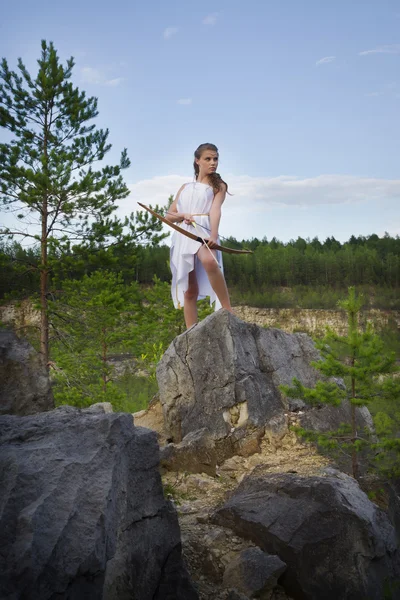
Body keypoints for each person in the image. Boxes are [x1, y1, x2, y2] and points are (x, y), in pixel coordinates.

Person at [167, 143, 234, 329]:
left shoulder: (218, 186)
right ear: (197, 161)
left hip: (203, 230)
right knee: (190, 291)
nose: (213, 162)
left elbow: (215, 211)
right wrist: (182, 215)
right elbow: (168, 216)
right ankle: (191, 332)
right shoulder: (185, 187)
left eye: (215, 159)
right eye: (208, 159)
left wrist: (213, 234)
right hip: (184, 234)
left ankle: (227, 311)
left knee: (210, 261)